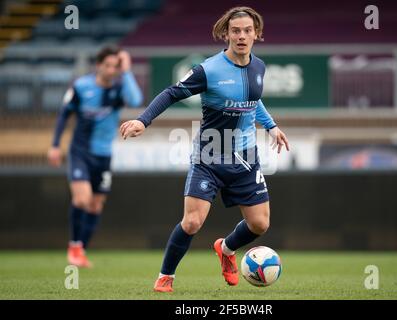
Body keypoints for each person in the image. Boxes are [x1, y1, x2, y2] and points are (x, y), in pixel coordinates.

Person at [120, 6, 289, 292]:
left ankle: (226, 248)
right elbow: (172, 92)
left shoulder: (259, 67)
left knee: (260, 225)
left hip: (245, 158)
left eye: (247, 30)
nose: (241, 36)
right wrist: (143, 120)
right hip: (209, 156)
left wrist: (271, 126)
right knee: (192, 222)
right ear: (226, 34)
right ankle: (166, 276)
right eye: (235, 31)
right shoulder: (208, 70)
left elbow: (253, 100)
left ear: (256, 34)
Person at [48, 47, 143, 267]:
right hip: (80, 152)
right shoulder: (82, 86)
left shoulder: (119, 89)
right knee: (82, 199)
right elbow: (64, 115)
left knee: (95, 205)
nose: (111, 70)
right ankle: (74, 246)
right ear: (98, 65)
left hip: (104, 155)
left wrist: (127, 71)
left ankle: (80, 250)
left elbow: (136, 100)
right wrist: (54, 145)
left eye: (115, 67)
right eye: (107, 65)